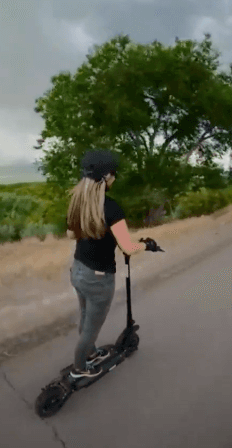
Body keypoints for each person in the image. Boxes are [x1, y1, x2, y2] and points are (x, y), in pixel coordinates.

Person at [66, 149, 149, 380]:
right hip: (99, 278)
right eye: (113, 173)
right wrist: (147, 246)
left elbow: (71, 235)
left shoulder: (76, 202)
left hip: (78, 271)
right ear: (105, 177)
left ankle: (91, 354)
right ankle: (79, 369)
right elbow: (128, 247)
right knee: (91, 328)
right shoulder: (112, 208)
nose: (115, 178)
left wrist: (92, 235)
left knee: (85, 316)